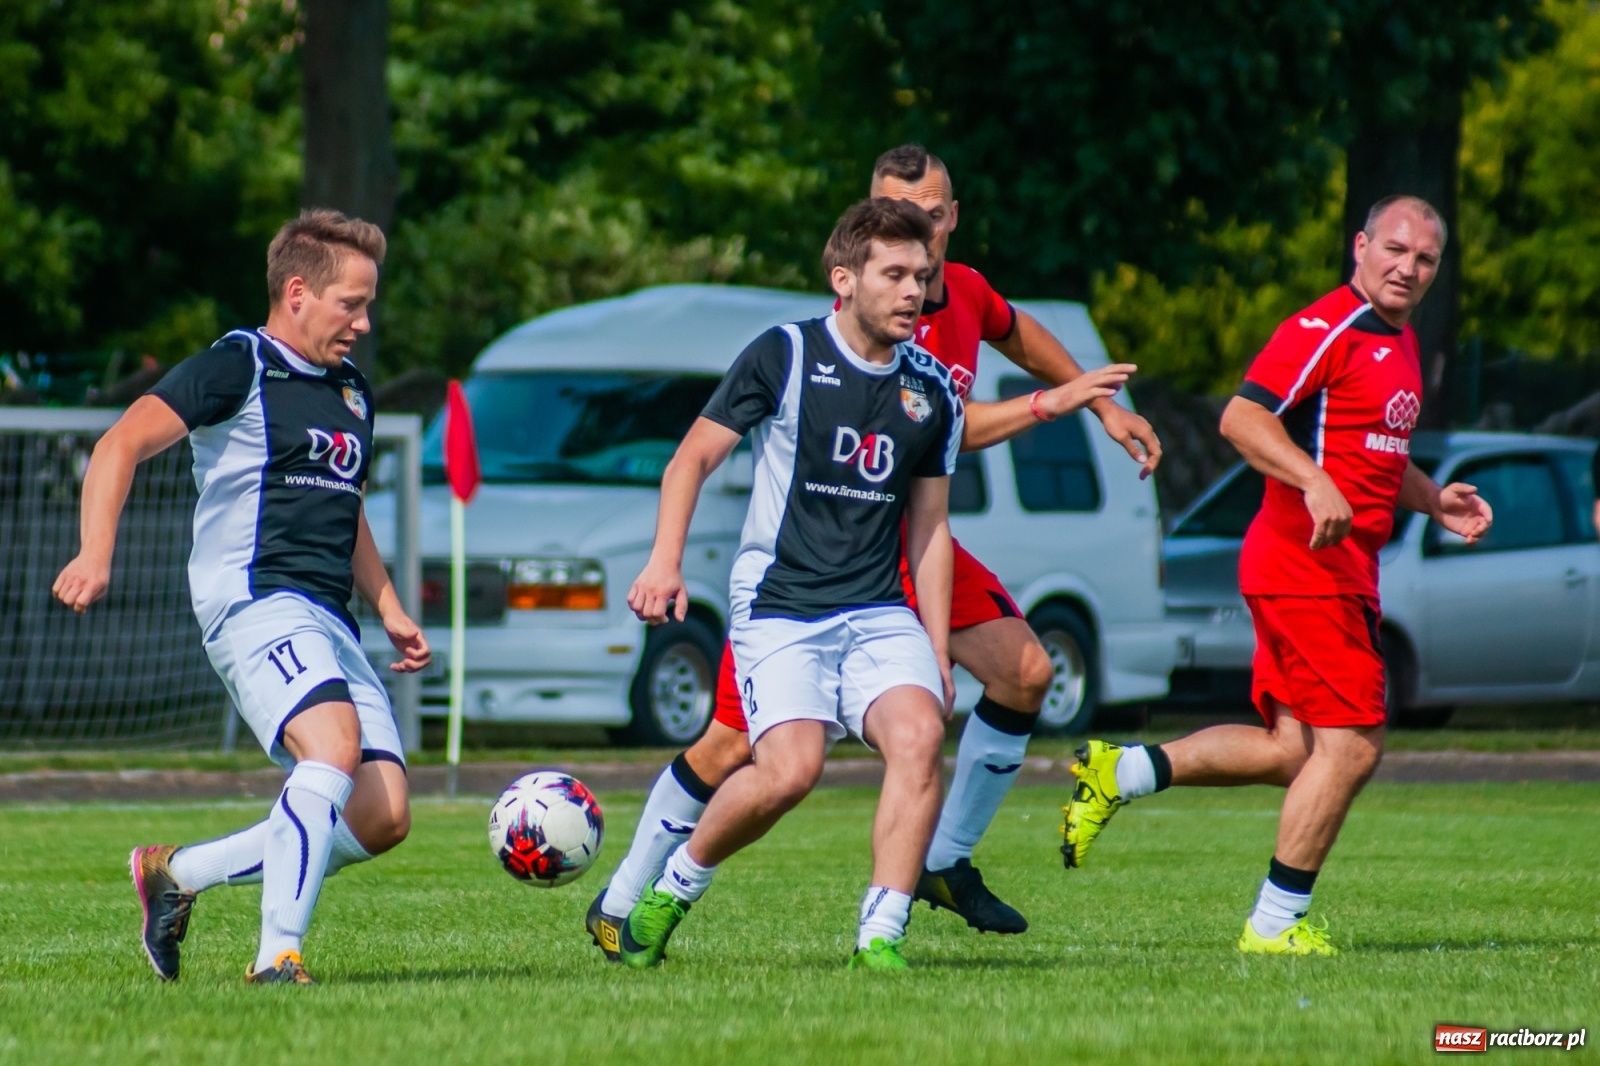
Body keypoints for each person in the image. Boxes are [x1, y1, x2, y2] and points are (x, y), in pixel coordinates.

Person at [587, 144, 1158, 957]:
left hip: (891, 576)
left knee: (998, 686)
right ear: (848, 268)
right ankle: (631, 896)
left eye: (928, 231)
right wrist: (664, 558)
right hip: (788, 589)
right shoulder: (789, 351)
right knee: (752, 753)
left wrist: (1088, 403)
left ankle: (913, 895)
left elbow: (939, 489)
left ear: (951, 222)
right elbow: (695, 456)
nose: (915, 275)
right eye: (897, 249)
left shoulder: (942, 337)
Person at [1059, 196, 1494, 955]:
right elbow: (1241, 418)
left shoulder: (1400, 341)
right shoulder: (1329, 324)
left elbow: (1371, 453)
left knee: (1295, 748)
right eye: (1394, 249)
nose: (1408, 267)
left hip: (1327, 565)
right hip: (1308, 562)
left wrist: (1431, 499)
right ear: (1359, 246)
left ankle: (1121, 771)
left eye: (1424, 259)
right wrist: (1313, 482)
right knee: (1353, 745)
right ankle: (1274, 925)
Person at [53, 210, 431, 985]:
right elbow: (119, 443)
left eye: (367, 305)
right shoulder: (239, 366)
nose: (362, 322)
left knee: (383, 813)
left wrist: (388, 604)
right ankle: (276, 958)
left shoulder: (353, 391)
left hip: (331, 616)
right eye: (349, 304)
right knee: (329, 752)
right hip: (255, 597)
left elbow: (344, 503)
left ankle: (177, 873)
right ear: (297, 292)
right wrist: (96, 553)